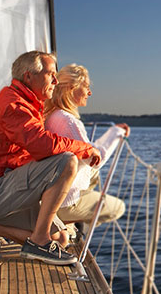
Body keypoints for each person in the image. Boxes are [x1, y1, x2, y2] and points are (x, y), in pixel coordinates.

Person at [0, 51, 101, 265]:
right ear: (28, 76)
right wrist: (85, 148)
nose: (56, 80)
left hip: (0, 191)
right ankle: (39, 241)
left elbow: (27, 153)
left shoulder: (30, 104)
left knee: (62, 238)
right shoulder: (13, 105)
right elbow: (41, 145)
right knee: (67, 161)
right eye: (51, 74)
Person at [43, 64, 128, 233]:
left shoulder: (51, 115)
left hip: (48, 192)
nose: (90, 93)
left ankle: (69, 224)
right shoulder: (68, 121)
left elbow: (87, 150)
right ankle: (67, 225)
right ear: (71, 88)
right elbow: (96, 160)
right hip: (63, 203)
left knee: (93, 176)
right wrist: (116, 133)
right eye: (87, 87)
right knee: (119, 208)